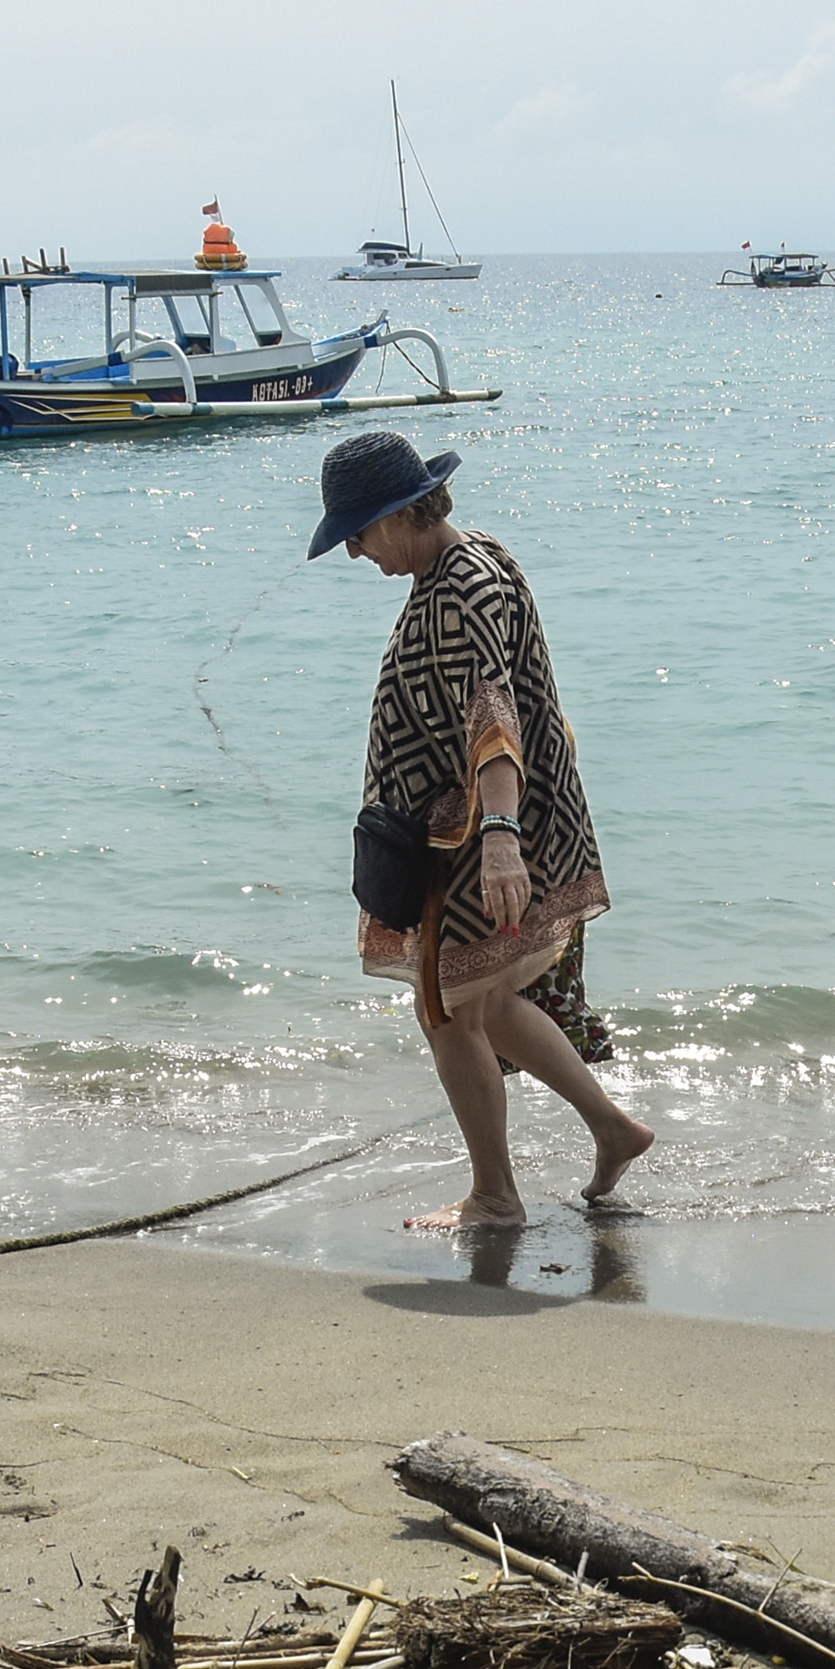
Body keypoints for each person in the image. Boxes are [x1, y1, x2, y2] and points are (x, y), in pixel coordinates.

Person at [314, 430, 654, 1231]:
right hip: (482, 827)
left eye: (357, 533)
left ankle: (496, 1198)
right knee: (486, 997)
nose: (357, 553)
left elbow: (491, 716)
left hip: (481, 833)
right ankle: (613, 1129)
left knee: (447, 1006)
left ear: (400, 514)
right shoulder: (475, 558)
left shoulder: (461, 589)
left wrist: (501, 835)